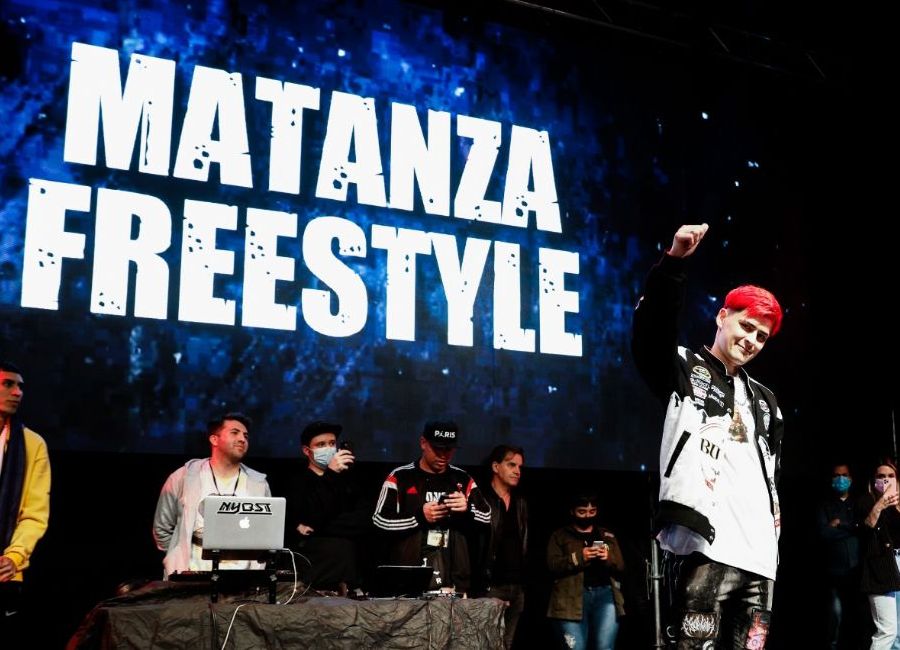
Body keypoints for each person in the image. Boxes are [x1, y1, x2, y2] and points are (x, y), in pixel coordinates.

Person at [632, 224, 785, 648]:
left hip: (761, 558)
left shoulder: (767, 401)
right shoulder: (684, 367)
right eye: (746, 326)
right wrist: (674, 262)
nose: (751, 340)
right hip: (704, 547)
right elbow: (651, 330)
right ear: (722, 317)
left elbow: (771, 475)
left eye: (761, 336)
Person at [372, 421, 491, 594]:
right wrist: (419, 517)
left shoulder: (462, 479)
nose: (443, 455)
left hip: (453, 581)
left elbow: (487, 516)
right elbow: (379, 521)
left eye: (449, 450)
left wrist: (468, 510)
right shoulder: (400, 477)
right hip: (408, 580)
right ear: (423, 443)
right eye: (437, 449)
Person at [152, 412, 271, 577]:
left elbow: (265, 532)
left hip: (242, 574)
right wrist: (176, 555)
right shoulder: (183, 477)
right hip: (192, 571)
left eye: (246, 436)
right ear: (214, 439)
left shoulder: (258, 483)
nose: (242, 439)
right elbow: (162, 528)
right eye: (235, 433)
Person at [286, 420, 371, 593]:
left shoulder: (350, 481)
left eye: (332, 443)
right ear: (306, 451)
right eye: (321, 445)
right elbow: (308, 516)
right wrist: (331, 474)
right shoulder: (297, 482)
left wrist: (320, 527)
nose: (329, 448)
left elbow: (365, 521)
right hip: (315, 579)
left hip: (350, 578)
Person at [0, 361, 51, 647]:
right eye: (8, 384)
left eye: (20, 386)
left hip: (5, 572)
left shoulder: (32, 444)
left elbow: (34, 513)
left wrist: (14, 557)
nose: (17, 392)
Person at [546, 491, 625, 650]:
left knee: (605, 646)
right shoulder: (560, 536)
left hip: (605, 595)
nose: (587, 516)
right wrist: (579, 557)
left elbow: (621, 566)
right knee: (576, 647)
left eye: (592, 511)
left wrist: (607, 557)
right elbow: (552, 565)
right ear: (572, 511)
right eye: (582, 512)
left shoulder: (606, 535)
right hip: (570, 599)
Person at [479, 445, 529, 649]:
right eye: (511, 465)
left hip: (516, 588)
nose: (517, 471)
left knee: (506, 645)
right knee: (485, 644)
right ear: (495, 466)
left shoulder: (520, 503)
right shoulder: (481, 499)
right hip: (491, 587)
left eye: (519, 467)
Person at [817, 462, 861, 649]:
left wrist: (839, 524)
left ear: (850, 478)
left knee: (857, 616)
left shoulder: (858, 504)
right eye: (836, 475)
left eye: (844, 475)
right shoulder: (825, 506)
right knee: (835, 615)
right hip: (834, 573)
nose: (840, 479)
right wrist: (851, 529)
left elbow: (862, 528)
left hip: (857, 572)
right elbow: (823, 534)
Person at [858, 460, 900, 650]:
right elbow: (866, 528)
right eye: (881, 477)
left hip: (897, 565)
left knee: (897, 633)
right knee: (887, 631)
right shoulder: (867, 501)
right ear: (873, 480)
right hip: (881, 571)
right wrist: (881, 503)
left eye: (891, 476)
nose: (886, 480)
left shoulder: (896, 503)